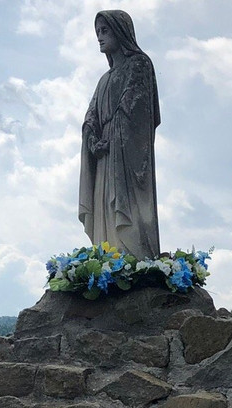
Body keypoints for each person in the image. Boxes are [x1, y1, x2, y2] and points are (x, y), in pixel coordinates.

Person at [78, 9, 161, 259]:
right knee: (106, 214)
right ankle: (109, 260)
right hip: (105, 157)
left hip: (126, 158)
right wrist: (93, 140)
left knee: (126, 212)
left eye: (105, 31)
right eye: (98, 32)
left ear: (120, 31)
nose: (100, 37)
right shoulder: (104, 80)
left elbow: (133, 108)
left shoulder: (139, 64)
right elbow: (90, 116)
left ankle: (134, 258)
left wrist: (113, 136)